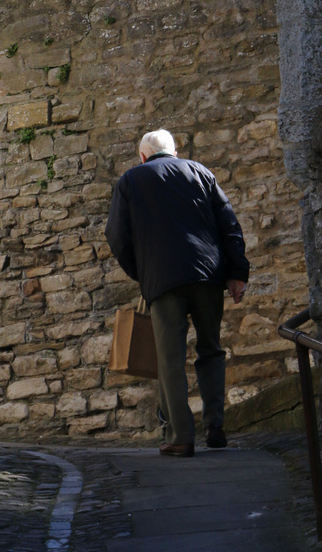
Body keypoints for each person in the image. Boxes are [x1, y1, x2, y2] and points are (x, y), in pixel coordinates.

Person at [105, 128, 249, 457]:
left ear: (142, 156)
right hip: (208, 275)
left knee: (169, 359)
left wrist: (141, 272)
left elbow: (116, 234)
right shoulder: (201, 173)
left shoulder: (130, 181)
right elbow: (230, 225)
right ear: (175, 151)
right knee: (211, 349)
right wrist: (237, 273)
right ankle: (215, 425)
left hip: (162, 279)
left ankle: (181, 436)